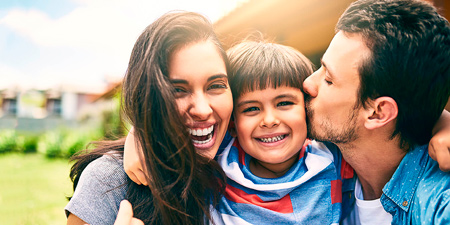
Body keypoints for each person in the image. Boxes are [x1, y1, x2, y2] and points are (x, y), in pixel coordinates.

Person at [65, 11, 233, 225]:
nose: (202, 110)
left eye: (216, 85)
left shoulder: (245, 157)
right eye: (178, 90)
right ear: (148, 96)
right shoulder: (108, 180)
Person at [302, 0, 450, 224]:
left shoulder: (438, 207)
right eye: (320, 67)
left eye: (329, 79)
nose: (308, 84)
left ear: (379, 112)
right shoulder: (323, 162)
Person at [210, 40, 348, 224]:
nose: (269, 121)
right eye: (251, 109)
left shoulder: (332, 157)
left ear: (307, 108)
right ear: (233, 124)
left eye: (284, 103)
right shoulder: (217, 172)